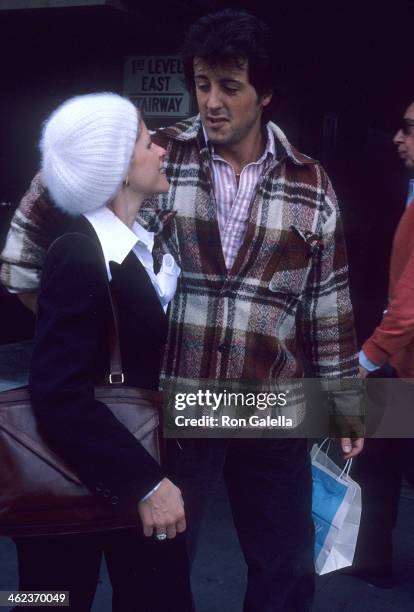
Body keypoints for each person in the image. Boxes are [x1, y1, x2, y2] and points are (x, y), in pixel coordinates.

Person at [1, 11, 363, 611]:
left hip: (269, 401)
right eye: (202, 84)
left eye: (230, 86)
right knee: (159, 567)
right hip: (176, 401)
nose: (212, 102)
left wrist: (348, 405)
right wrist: (78, 323)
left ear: (265, 92)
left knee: (285, 568)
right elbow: (31, 230)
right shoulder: (157, 155)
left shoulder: (310, 182)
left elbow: (329, 302)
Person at [11, 93, 192, 612]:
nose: (160, 149)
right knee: (45, 603)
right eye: (145, 139)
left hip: (130, 478)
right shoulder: (78, 252)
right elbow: (57, 391)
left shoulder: (136, 244)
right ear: (117, 169)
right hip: (84, 489)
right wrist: (146, 484)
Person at [353, 100, 414, 587]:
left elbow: (412, 298)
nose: (398, 139)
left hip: (401, 362)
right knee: (380, 459)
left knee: (383, 459)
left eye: (409, 129)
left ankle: (371, 560)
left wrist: (369, 357)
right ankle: (371, 560)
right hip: (402, 362)